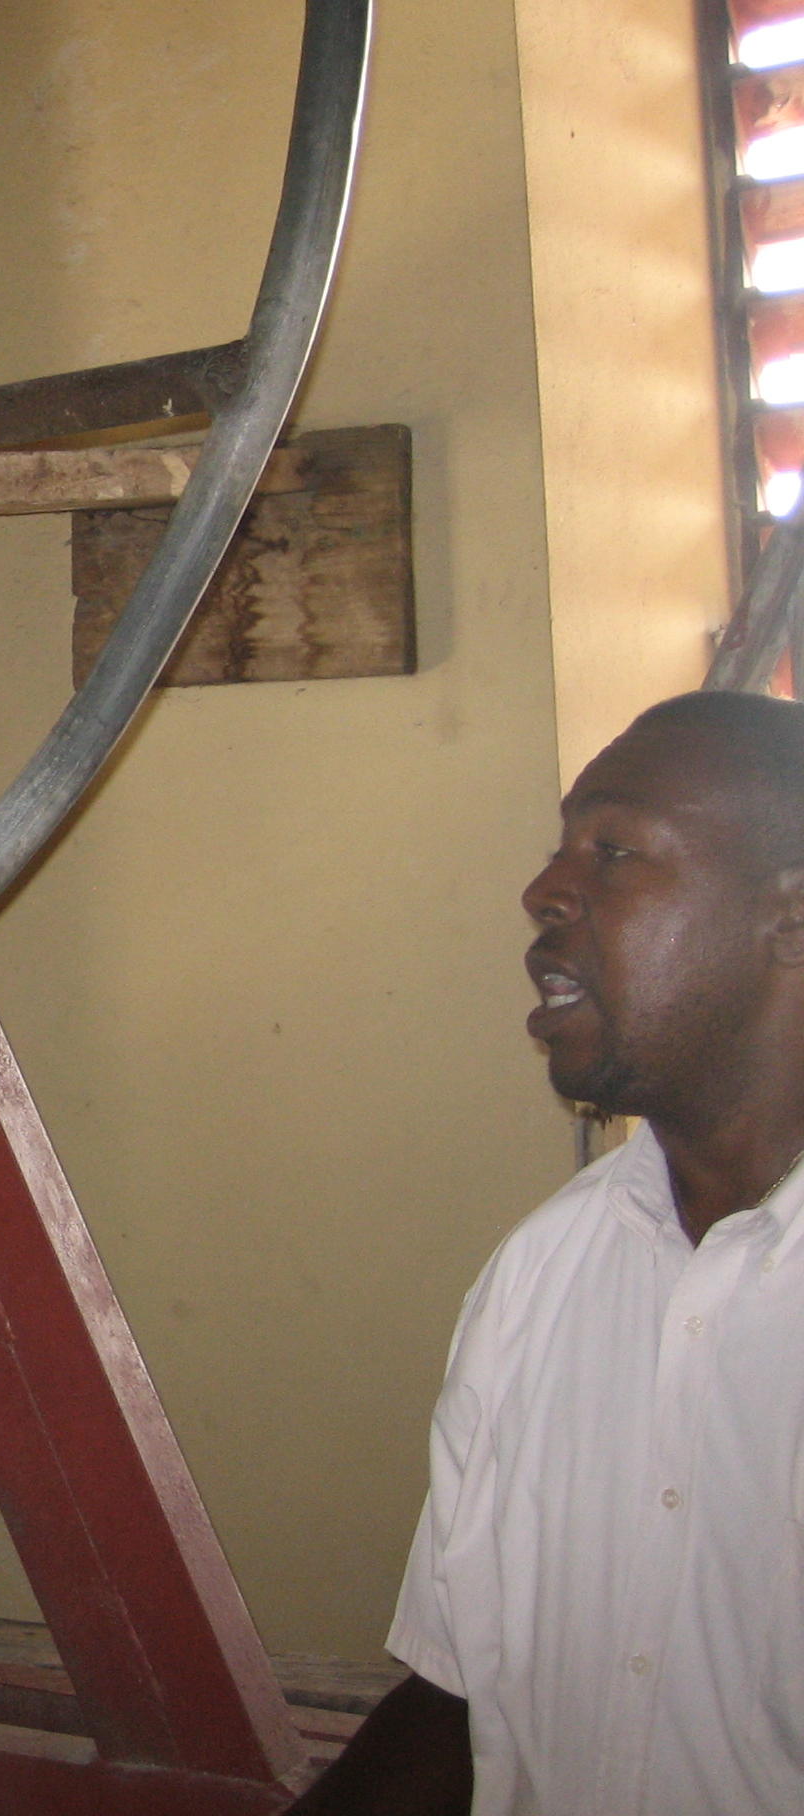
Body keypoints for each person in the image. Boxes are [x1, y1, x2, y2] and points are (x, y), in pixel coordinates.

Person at [295, 690, 804, 1816]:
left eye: (614, 851)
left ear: (790, 918)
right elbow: (463, 1697)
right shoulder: (543, 1277)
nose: (543, 893)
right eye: (561, 847)